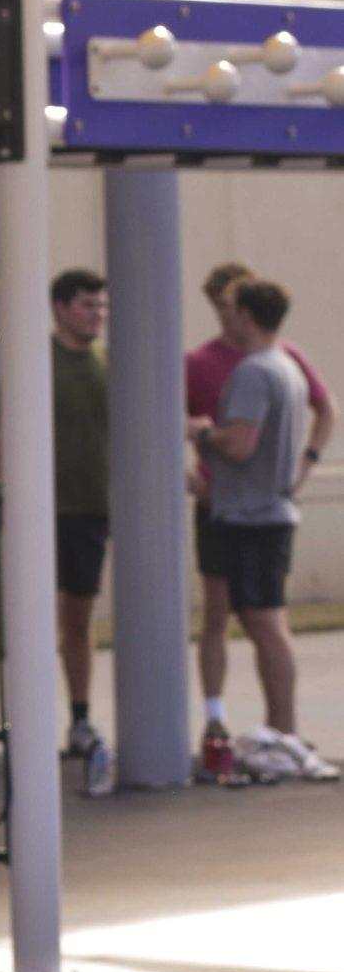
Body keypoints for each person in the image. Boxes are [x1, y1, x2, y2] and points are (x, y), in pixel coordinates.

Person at [186, 277, 338, 782]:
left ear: (248, 315)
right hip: (262, 513)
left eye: (230, 308)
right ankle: (282, 734)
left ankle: (286, 735)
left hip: (251, 518)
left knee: (265, 623)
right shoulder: (287, 365)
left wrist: (201, 431)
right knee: (259, 621)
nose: (225, 316)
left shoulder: (255, 371)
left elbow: (241, 443)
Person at [50, 268, 110, 760]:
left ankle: (80, 718)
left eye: (102, 306)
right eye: (89, 305)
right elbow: (6, 431)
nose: (98, 315)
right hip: (46, 513)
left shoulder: (109, 362)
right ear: (62, 308)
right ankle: (29, 720)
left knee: (79, 618)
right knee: (34, 618)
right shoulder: (39, 362)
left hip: (94, 512)